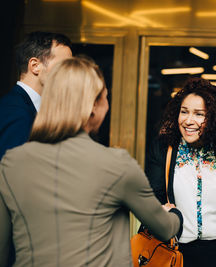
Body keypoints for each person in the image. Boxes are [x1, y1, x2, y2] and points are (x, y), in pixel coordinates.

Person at [0, 57, 183, 267]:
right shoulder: (116, 164)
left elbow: (2, 246)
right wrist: (175, 215)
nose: (107, 104)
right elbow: (163, 227)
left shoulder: (12, 163)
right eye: (106, 97)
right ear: (94, 106)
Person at [145, 77, 216, 267]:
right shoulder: (163, 149)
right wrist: (158, 210)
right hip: (174, 252)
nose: (189, 121)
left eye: (199, 114)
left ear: (214, 118)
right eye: (184, 112)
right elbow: (151, 196)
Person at [0, 31, 73, 159]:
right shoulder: (17, 113)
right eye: (64, 65)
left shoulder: (28, 107)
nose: (70, 73)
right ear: (35, 66)